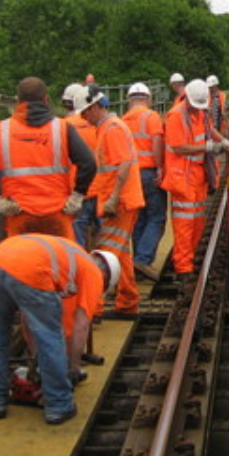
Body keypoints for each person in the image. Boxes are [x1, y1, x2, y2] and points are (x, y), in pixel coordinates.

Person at [0, 233, 119, 424]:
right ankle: (58, 405)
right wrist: (72, 369)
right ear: (106, 277)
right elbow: (81, 327)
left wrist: (37, 363)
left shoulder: (70, 258)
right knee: (52, 336)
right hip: (29, 269)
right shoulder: (94, 273)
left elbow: (29, 321)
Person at [0, 77, 95, 237]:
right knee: (62, 259)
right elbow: (88, 163)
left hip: (19, 214)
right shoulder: (62, 128)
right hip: (57, 212)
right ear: (46, 100)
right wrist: (77, 195)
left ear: (17, 102)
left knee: (23, 260)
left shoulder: (1, 131)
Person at [76, 85, 144, 317]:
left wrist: (113, 198)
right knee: (119, 252)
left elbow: (123, 163)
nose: (83, 117)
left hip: (120, 202)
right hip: (120, 200)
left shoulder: (112, 129)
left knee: (104, 253)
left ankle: (94, 308)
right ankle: (127, 302)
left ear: (96, 106)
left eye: (85, 112)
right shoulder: (106, 128)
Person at [161, 79, 229, 275]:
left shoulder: (201, 112)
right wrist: (208, 147)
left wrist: (224, 140)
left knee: (197, 221)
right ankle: (183, 268)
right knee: (184, 224)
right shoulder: (176, 116)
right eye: (196, 106)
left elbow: (209, 129)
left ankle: (192, 259)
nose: (198, 110)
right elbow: (178, 148)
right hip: (182, 176)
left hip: (197, 174)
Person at [122, 83, 166, 280]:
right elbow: (156, 141)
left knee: (138, 218)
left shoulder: (122, 120)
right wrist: (160, 166)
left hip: (130, 175)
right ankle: (143, 259)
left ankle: (138, 261)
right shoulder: (152, 116)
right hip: (148, 172)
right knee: (156, 217)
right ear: (147, 99)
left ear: (130, 99)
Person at [62, 83, 100, 246]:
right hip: (99, 188)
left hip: (75, 190)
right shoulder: (96, 123)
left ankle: (80, 268)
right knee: (104, 236)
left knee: (77, 238)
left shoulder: (62, 127)